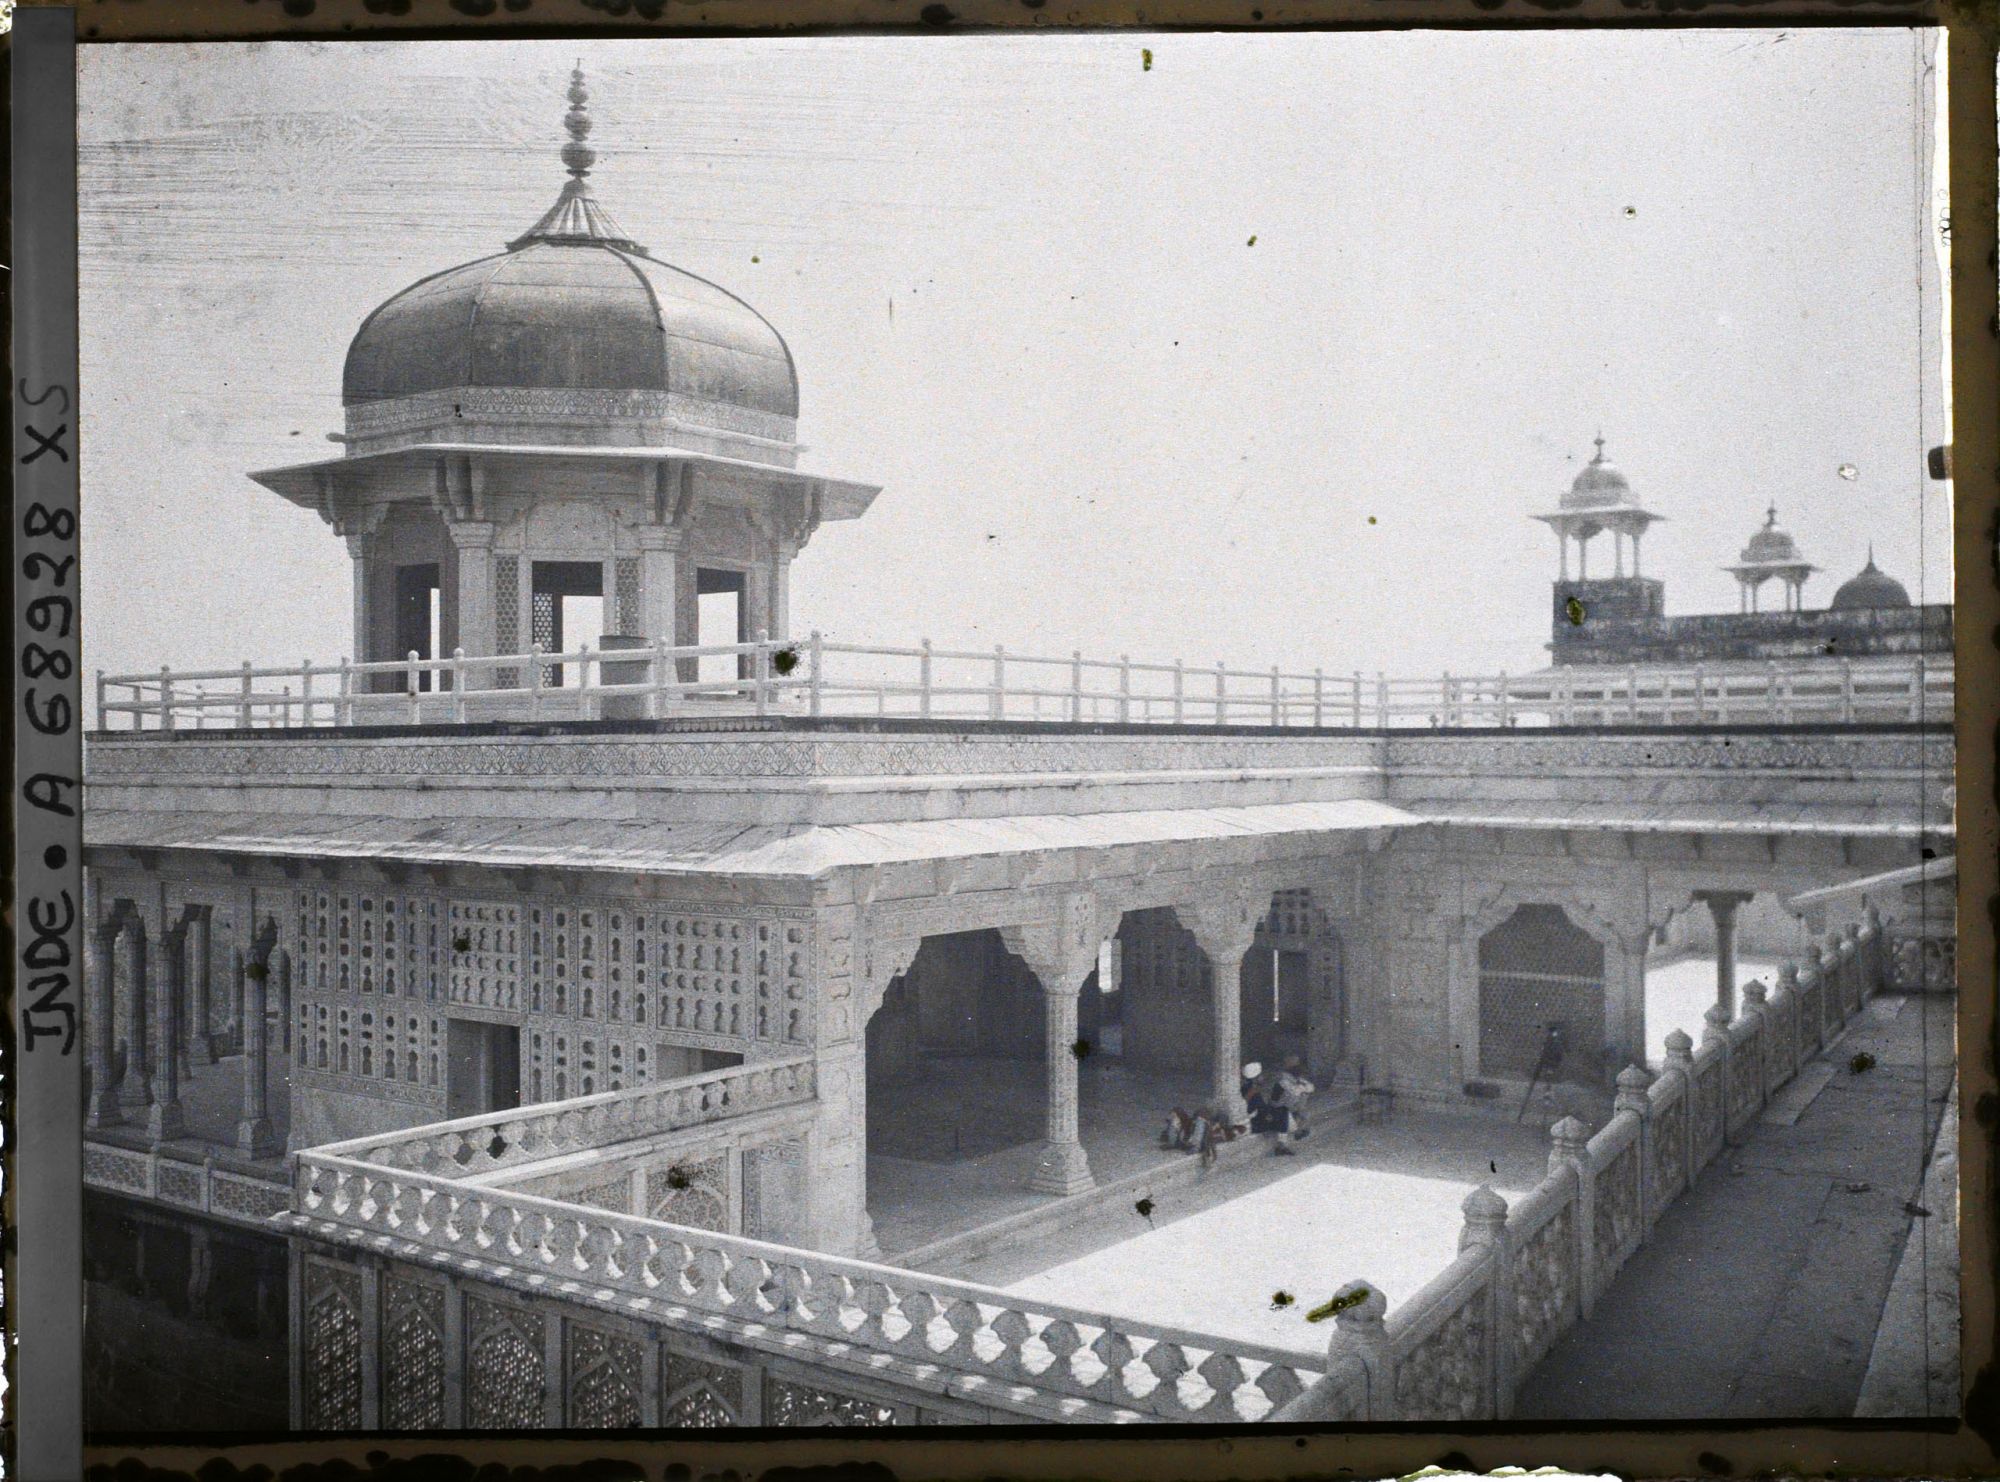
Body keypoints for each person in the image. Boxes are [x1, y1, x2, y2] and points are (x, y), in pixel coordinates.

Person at [1270, 1055, 1316, 1154]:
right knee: (1286, 1121)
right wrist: (1302, 1087)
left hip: (1288, 1107)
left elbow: (1311, 1087)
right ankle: (1283, 1146)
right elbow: (1294, 1091)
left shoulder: (1296, 1078)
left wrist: (1302, 1087)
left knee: (1303, 1113)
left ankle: (1298, 1132)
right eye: (1295, 1067)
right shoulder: (1283, 1079)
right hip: (1277, 1108)